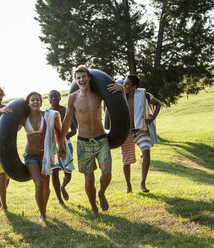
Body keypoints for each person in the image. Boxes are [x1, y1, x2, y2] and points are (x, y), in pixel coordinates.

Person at [59, 65, 124, 215]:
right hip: (83, 142)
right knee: (89, 180)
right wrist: (62, 140)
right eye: (78, 78)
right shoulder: (73, 97)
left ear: (89, 78)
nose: (81, 80)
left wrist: (121, 89)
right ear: (75, 80)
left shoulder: (99, 94)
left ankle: (101, 193)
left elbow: (118, 104)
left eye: (83, 77)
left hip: (101, 140)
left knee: (107, 172)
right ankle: (93, 207)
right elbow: (67, 120)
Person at [1, 91, 63, 221]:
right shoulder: (24, 119)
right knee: (39, 184)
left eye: (37, 100)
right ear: (28, 103)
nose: (35, 102)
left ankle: (43, 209)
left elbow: (59, 132)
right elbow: (9, 130)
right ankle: (42, 214)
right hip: (30, 157)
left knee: (46, 188)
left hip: (45, 156)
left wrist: (62, 147)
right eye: (32, 100)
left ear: (41, 102)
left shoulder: (48, 116)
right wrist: (1, 112)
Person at [117, 75, 161, 193]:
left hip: (140, 130)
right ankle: (128, 186)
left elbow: (158, 104)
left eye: (127, 84)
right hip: (126, 132)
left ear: (134, 87)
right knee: (126, 161)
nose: (124, 86)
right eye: (124, 83)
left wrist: (152, 117)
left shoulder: (143, 95)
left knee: (146, 151)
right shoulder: (120, 96)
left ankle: (142, 183)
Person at [48, 90, 76, 206]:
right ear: (48, 99)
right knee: (54, 172)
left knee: (68, 173)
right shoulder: (46, 113)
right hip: (52, 147)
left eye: (56, 96)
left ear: (60, 98)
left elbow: (74, 130)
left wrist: (62, 139)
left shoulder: (66, 110)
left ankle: (62, 187)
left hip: (66, 144)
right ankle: (60, 200)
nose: (54, 99)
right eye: (51, 97)